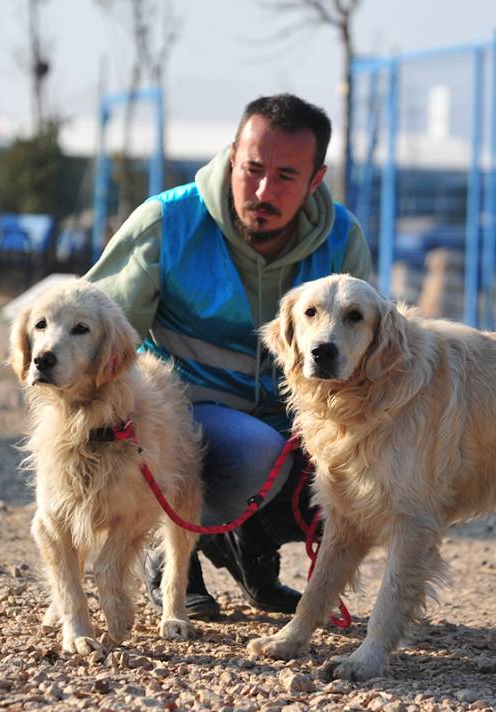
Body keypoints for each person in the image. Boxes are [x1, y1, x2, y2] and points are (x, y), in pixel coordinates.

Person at [83, 93, 372, 617]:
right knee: (255, 451)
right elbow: (91, 333)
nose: (263, 190)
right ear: (232, 153)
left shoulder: (342, 239)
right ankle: (169, 555)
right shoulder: (167, 223)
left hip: (294, 419)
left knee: (360, 462)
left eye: (286, 176)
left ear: (316, 180)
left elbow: (367, 360)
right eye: (253, 168)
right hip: (182, 422)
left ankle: (248, 549)